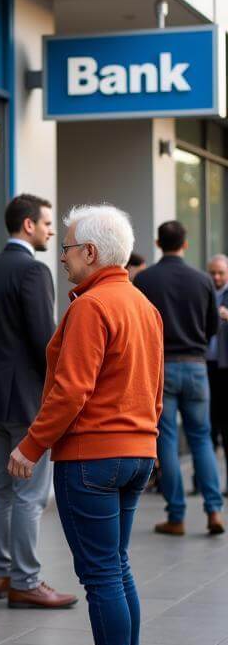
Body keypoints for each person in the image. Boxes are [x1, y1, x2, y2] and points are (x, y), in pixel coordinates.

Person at [8, 205, 163, 645]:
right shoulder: (143, 306)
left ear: (91, 253)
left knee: (101, 575)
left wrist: (30, 446)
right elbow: (154, 392)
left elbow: (70, 391)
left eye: (68, 249)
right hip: (137, 452)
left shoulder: (91, 307)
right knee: (116, 568)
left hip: (93, 457)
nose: (64, 259)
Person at [0, 194, 77, 609]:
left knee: (2, 487)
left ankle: (3, 574)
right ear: (28, 225)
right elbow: (44, 343)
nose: (51, 231)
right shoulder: (33, 271)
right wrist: (52, 394)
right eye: (47, 224)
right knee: (29, 494)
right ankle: (25, 581)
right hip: (26, 401)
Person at [134, 221, 225, 536]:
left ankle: (176, 516)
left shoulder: (145, 280)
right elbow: (213, 326)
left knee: (167, 441)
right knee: (202, 438)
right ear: (185, 244)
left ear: (159, 243)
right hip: (197, 366)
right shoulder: (202, 280)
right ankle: (214, 511)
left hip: (161, 368)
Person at [207, 254, 228, 494]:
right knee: (206, 428)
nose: (216, 277)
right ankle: (204, 484)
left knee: (225, 427)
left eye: (221, 273)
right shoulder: (204, 291)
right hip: (205, 366)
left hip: (225, 368)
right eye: (213, 273)